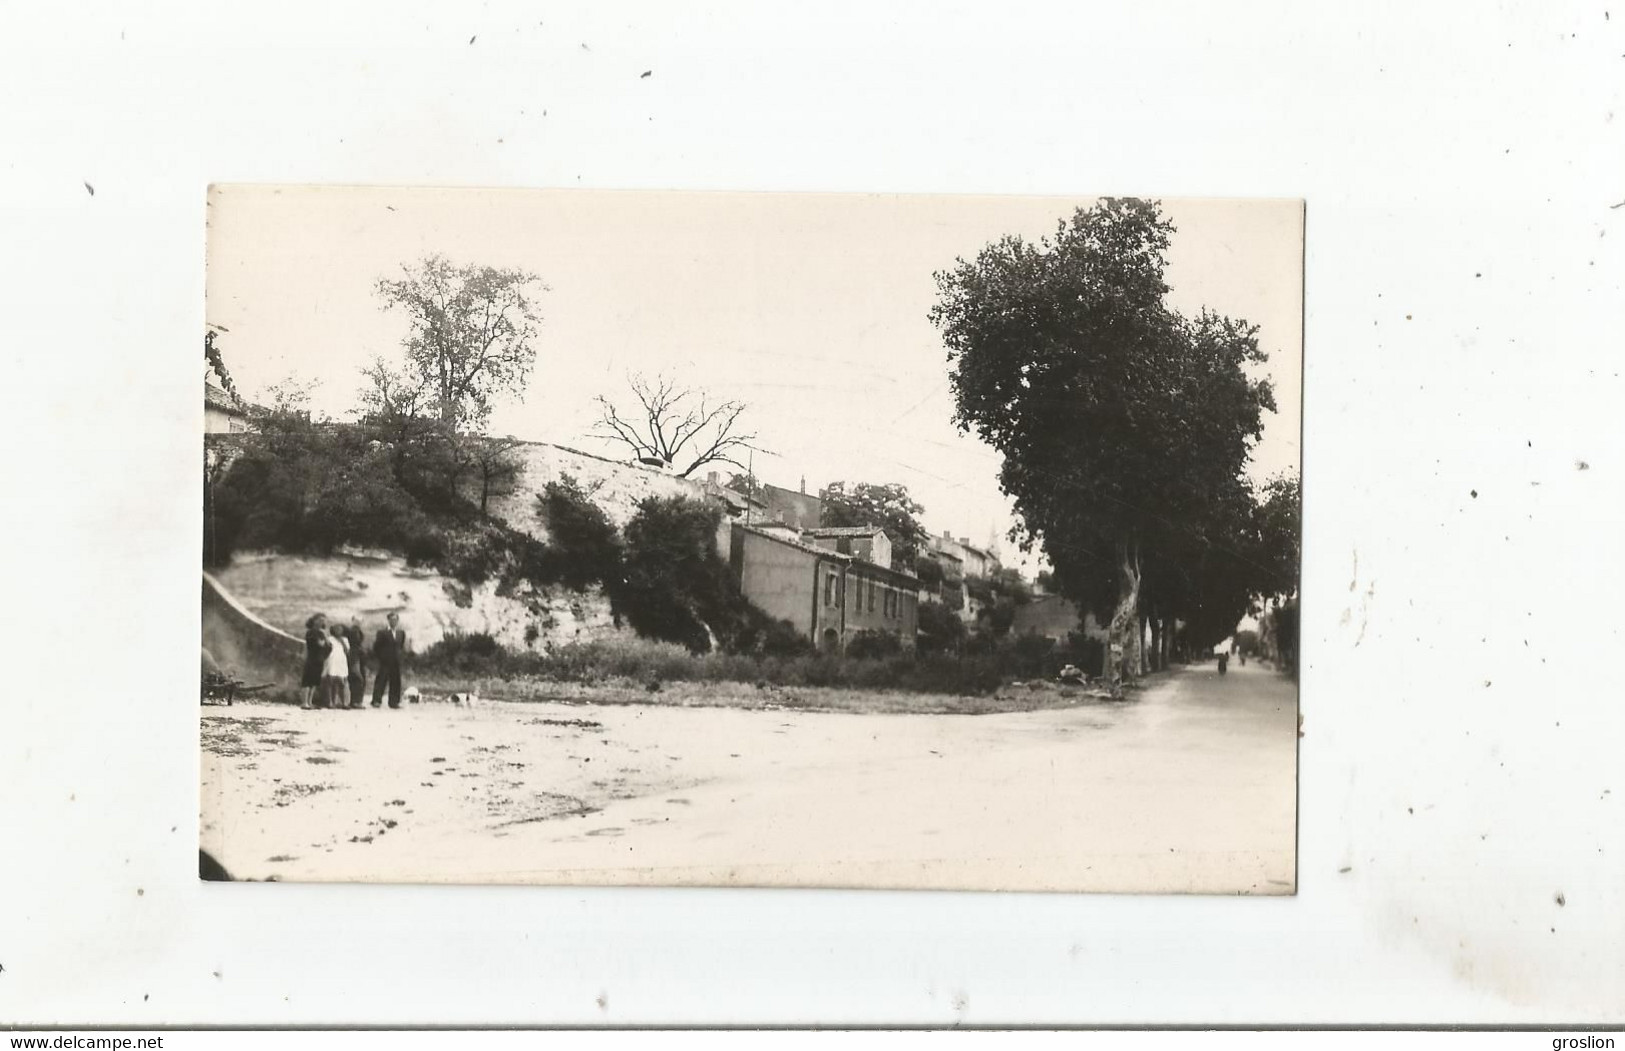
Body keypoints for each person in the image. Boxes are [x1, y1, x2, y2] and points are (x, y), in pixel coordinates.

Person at [371, 612, 408, 709]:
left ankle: (394, 702)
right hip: (385, 661)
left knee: (396, 681)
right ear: (388, 620)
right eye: (392, 620)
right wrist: (382, 657)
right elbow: (376, 647)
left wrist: (400, 657)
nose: (393, 622)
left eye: (395, 620)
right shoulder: (382, 633)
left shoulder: (401, 633)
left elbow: (401, 646)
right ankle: (376, 700)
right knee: (381, 680)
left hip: (396, 661)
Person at [300, 613, 331, 710]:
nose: (322, 622)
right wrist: (325, 641)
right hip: (312, 659)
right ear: (314, 620)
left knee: (314, 682)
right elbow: (321, 644)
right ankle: (304, 702)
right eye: (320, 619)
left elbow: (328, 646)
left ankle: (310, 702)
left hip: (319, 659)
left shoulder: (321, 633)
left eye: (323, 620)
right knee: (307, 681)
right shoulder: (310, 632)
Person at [322, 622, 350, 710]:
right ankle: (330, 702)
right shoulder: (330, 639)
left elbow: (347, 651)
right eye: (337, 629)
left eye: (340, 629)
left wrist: (342, 641)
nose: (339, 631)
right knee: (330, 680)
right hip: (331, 660)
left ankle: (344, 702)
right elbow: (326, 648)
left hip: (341, 661)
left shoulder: (345, 639)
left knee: (342, 682)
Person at [344, 614, 367, 709]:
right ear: (352, 620)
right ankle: (355, 701)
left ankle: (356, 701)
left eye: (360, 620)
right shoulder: (352, 631)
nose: (358, 622)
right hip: (354, 656)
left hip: (358, 656)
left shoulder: (357, 631)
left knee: (359, 677)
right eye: (356, 620)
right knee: (357, 677)